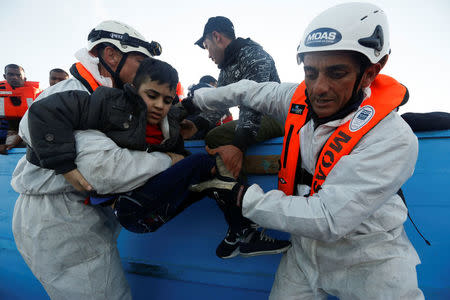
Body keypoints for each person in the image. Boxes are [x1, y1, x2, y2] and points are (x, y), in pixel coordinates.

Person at [188, 3, 424, 299]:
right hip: (303, 254)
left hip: (371, 259)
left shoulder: (393, 138)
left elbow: (327, 218)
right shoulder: (299, 98)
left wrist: (240, 196)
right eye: (310, 72)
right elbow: (249, 90)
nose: (319, 88)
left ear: (371, 72)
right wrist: (200, 99)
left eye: (336, 73)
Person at [11, 20, 163, 299]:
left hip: (65, 217)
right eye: (141, 62)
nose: (147, 72)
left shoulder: (101, 97)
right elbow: (106, 169)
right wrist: (174, 162)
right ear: (112, 55)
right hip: (60, 222)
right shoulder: (72, 95)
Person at [188, 15, 289, 259]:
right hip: (251, 121)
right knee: (211, 135)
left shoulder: (255, 55)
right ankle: (240, 229)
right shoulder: (227, 67)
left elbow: (256, 102)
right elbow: (218, 107)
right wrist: (193, 125)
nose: (208, 54)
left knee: (216, 137)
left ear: (217, 37)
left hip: (275, 118)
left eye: (206, 47)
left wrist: (238, 145)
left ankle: (245, 228)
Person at [0, 64, 40, 154]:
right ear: (4, 76)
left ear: (24, 78)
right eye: (10, 74)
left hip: (29, 134)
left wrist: (15, 141)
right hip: (6, 133)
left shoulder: (38, 95)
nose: (15, 77)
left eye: (18, 75)